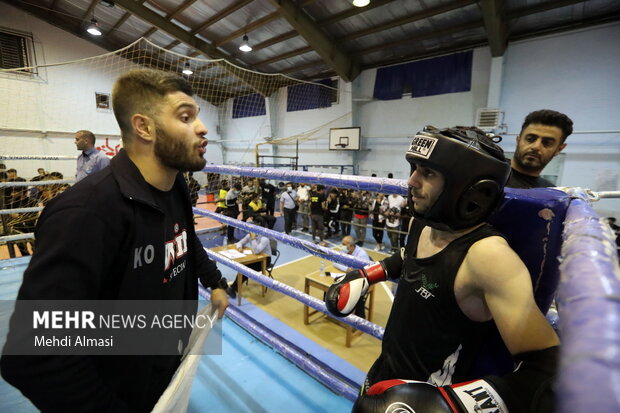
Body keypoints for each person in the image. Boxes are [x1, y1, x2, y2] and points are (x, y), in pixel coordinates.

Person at [0, 68, 229, 412]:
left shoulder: (175, 186)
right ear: (144, 127)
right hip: (117, 387)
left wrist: (214, 281)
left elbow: (185, 238)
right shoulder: (86, 214)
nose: (202, 127)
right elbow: (35, 358)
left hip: (164, 362)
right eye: (186, 117)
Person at [326, 126, 560, 413]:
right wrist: (369, 274)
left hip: (431, 395)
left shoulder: (488, 257)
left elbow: (548, 367)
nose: (411, 181)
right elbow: (409, 259)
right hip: (383, 378)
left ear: (470, 188)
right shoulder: (422, 224)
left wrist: (450, 406)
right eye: (414, 168)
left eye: (428, 173)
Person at [507, 109, 573, 188]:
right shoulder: (491, 173)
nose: (536, 147)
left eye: (547, 143)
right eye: (530, 139)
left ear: (559, 149)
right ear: (518, 140)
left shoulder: (550, 194)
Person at [224, 228, 272, 299]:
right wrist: (240, 247)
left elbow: (256, 251)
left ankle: (234, 288)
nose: (249, 233)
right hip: (256, 258)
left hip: (265, 260)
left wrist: (253, 239)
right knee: (244, 267)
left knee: (246, 269)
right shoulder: (249, 235)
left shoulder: (264, 239)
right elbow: (240, 243)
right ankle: (235, 287)